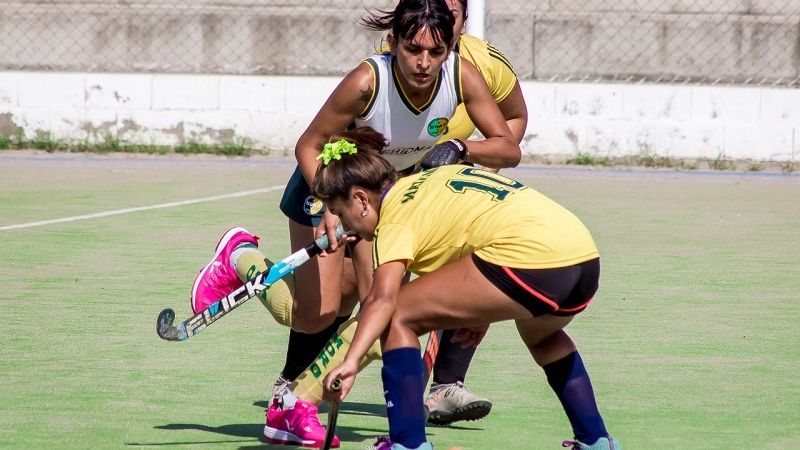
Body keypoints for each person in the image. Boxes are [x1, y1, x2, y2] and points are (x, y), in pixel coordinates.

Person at [188, 0, 521, 447]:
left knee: (379, 308)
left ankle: (296, 402)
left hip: (382, 199)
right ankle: (240, 258)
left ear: (450, 47)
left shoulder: (460, 76)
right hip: (324, 184)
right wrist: (328, 200)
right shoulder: (368, 80)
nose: (423, 63)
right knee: (316, 313)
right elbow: (308, 144)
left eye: (435, 51)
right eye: (413, 49)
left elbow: (507, 147)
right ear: (395, 42)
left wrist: (462, 148)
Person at [314, 127, 620, 450]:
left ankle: (408, 443)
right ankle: (596, 440)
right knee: (543, 336)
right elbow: (470, 232)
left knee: (398, 314)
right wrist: (477, 311)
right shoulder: (431, 181)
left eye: (339, 212)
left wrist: (350, 364)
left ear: (361, 199)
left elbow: (381, 299)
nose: (344, 226)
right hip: (582, 258)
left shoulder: (395, 217)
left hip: (530, 259)